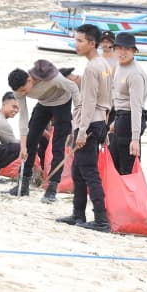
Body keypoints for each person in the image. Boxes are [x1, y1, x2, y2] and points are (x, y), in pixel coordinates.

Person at [55, 24, 113, 232]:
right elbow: (109, 99)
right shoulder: (105, 64)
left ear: (92, 43)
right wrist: (104, 128)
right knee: (79, 170)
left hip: (89, 123)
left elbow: (89, 102)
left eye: (80, 41)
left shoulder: (91, 68)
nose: (76, 44)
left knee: (89, 172)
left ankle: (101, 220)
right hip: (98, 122)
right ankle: (78, 213)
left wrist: (81, 132)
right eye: (76, 40)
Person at [7, 60, 80, 201]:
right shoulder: (18, 91)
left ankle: (52, 189)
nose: (22, 93)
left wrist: (78, 116)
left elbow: (74, 88)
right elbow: (23, 116)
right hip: (43, 104)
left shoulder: (52, 78)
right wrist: (22, 146)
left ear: (29, 80)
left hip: (62, 102)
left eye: (24, 90)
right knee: (31, 140)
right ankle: (23, 185)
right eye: (19, 92)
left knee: (57, 146)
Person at [108, 32, 147, 175]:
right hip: (121, 118)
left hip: (131, 121)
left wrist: (135, 139)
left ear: (133, 51)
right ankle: (114, 197)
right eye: (118, 48)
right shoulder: (120, 66)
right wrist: (115, 121)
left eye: (126, 49)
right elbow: (119, 97)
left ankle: (131, 197)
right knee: (113, 164)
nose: (122, 52)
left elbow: (136, 107)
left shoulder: (135, 74)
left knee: (128, 170)